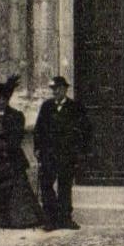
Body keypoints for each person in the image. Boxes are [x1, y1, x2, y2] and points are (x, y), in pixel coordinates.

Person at [0, 78, 44, 228]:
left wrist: (5, 146)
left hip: (12, 156)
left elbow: (17, 135)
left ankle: (20, 220)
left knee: (16, 186)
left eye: (3, 98)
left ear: (7, 99)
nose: (0, 101)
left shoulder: (16, 115)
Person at [34, 74, 91, 231]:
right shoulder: (46, 106)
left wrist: (80, 151)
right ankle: (50, 219)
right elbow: (39, 129)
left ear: (65, 90)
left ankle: (65, 218)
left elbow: (84, 130)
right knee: (46, 185)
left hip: (67, 154)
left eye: (59, 89)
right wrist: (37, 148)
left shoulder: (75, 107)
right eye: (54, 89)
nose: (56, 92)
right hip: (49, 154)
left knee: (65, 186)